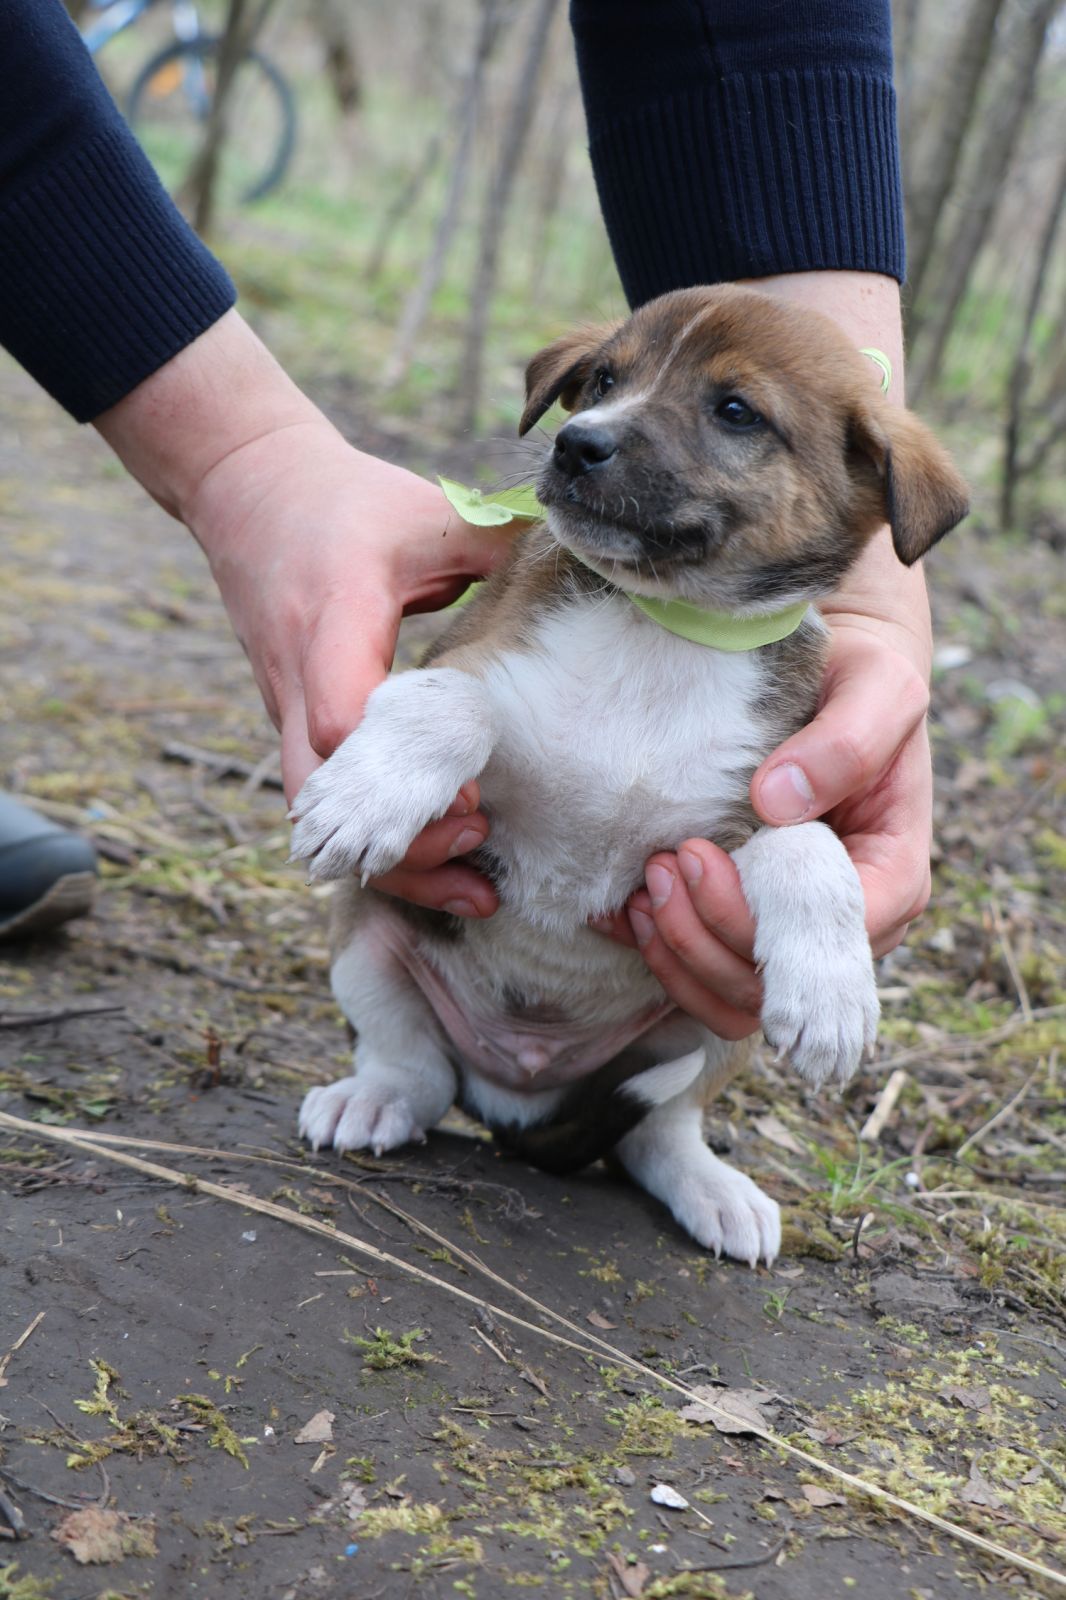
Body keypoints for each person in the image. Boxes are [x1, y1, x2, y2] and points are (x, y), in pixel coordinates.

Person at [0, 0, 932, 1050]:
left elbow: (735, 32)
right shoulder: (540, 602)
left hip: (617, 1046)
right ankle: (405, 1063)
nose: (593, 433)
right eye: (603, 385)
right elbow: (457, 704)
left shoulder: (790, 663)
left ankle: (653, 1130)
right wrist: (239, 461)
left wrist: (881, 623)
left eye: (730, 414)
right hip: (443, 982)